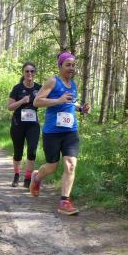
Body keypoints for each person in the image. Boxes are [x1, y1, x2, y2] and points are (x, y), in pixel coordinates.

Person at [29, 52, 91, 215]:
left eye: (73, 65)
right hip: (52, 132)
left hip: (70, 131)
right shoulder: (53, 81)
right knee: (51, 167)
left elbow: (70, 103)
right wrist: (58, 100)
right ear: (60, 66)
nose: (71, 68)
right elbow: (37, 101)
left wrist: (80, 108)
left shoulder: (73, 84)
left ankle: (64, 202)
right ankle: (37, 177)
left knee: (70, 164)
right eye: (68, 65)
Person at [7, 62, 42, 187]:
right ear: (23, 73)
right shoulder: (17, 88)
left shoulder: (39, 88)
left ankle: (27, 178)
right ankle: (16, 176)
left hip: (33, 125)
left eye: (32, 71)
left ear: (35, 73)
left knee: (32, 151)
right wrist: (22, 101)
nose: (29, 73)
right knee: (18, 152)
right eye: (27, 71)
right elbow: (10, 107)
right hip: (18, 124)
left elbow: (51, 99)